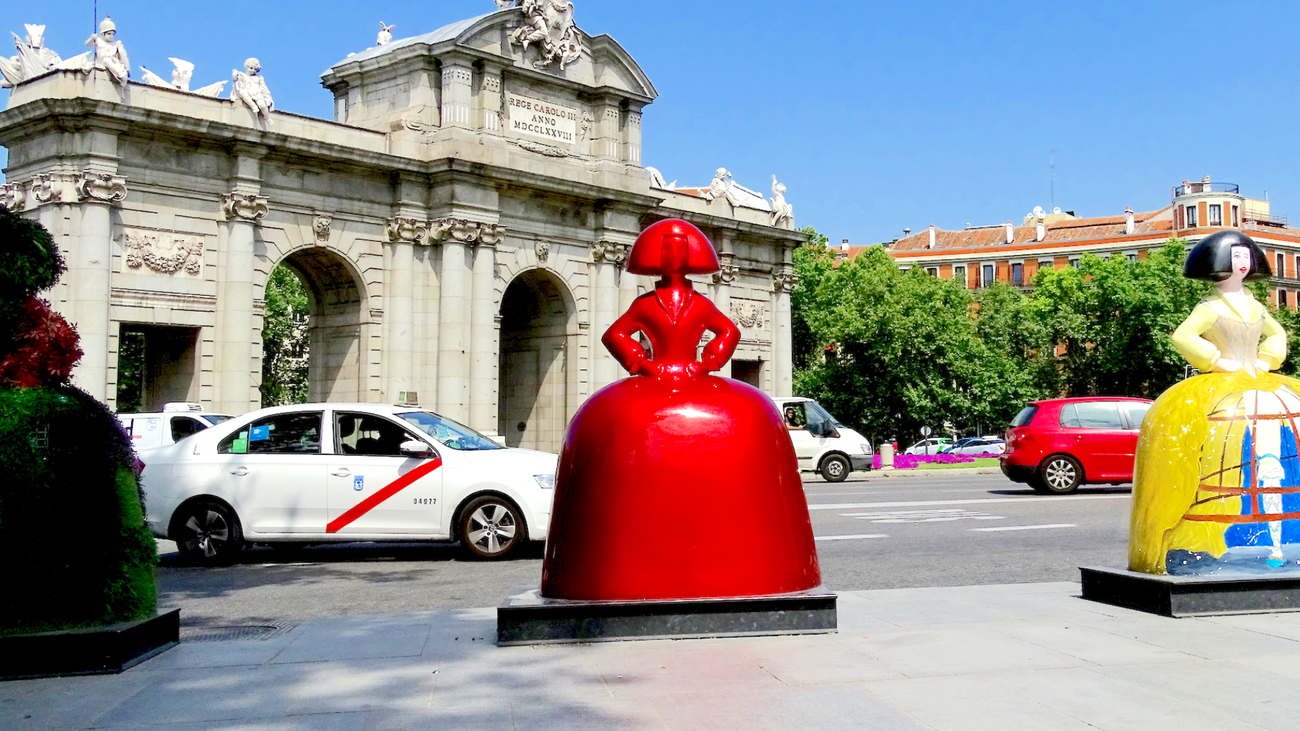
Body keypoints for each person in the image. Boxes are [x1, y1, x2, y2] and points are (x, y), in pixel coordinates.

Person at [1130, 230, 1300, 574]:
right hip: (1224, 383)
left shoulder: (1254, 306)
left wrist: (1267, 359)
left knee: (1273, 445)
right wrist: (1217, 361)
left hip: (1258, 380)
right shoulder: (1210, 307)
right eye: (1235, 256)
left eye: (1246, 255)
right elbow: (1182, 335)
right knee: (1220, 440)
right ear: (1219, 263)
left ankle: (1278, 535)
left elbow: (1278, 333)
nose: (1243, 262)